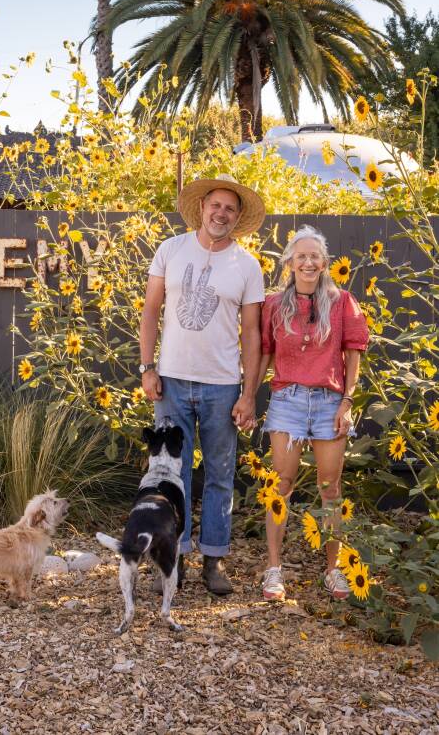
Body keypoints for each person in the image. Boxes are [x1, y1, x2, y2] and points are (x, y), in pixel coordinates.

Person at [139, 174, 265, 595]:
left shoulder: (247, 266)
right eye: (216, 205)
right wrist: (147, 368)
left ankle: (214, 560)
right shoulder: (171, 250)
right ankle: (172, 561)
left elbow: (252, 334)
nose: (221, 213)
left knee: (220, 475)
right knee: (171, 474)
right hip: (171, 381)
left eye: (230, 208)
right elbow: (150, 310)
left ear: (238, 217)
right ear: (202, 207)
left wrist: (249, 393)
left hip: (222, 385)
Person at [253, 225, 369, 602]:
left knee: (330, 488)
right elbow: (264, 353)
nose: (308, 262)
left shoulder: (342, 301)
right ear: (289, 262)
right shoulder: (274, 304)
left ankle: (334, 570)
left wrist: (347, 402)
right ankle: (274, 569)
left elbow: (353, 354)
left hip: (328, 402)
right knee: (280, 485)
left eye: (314, 256)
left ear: (324, 263)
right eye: (300, 256)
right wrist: (247, 395)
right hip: (287, 401)